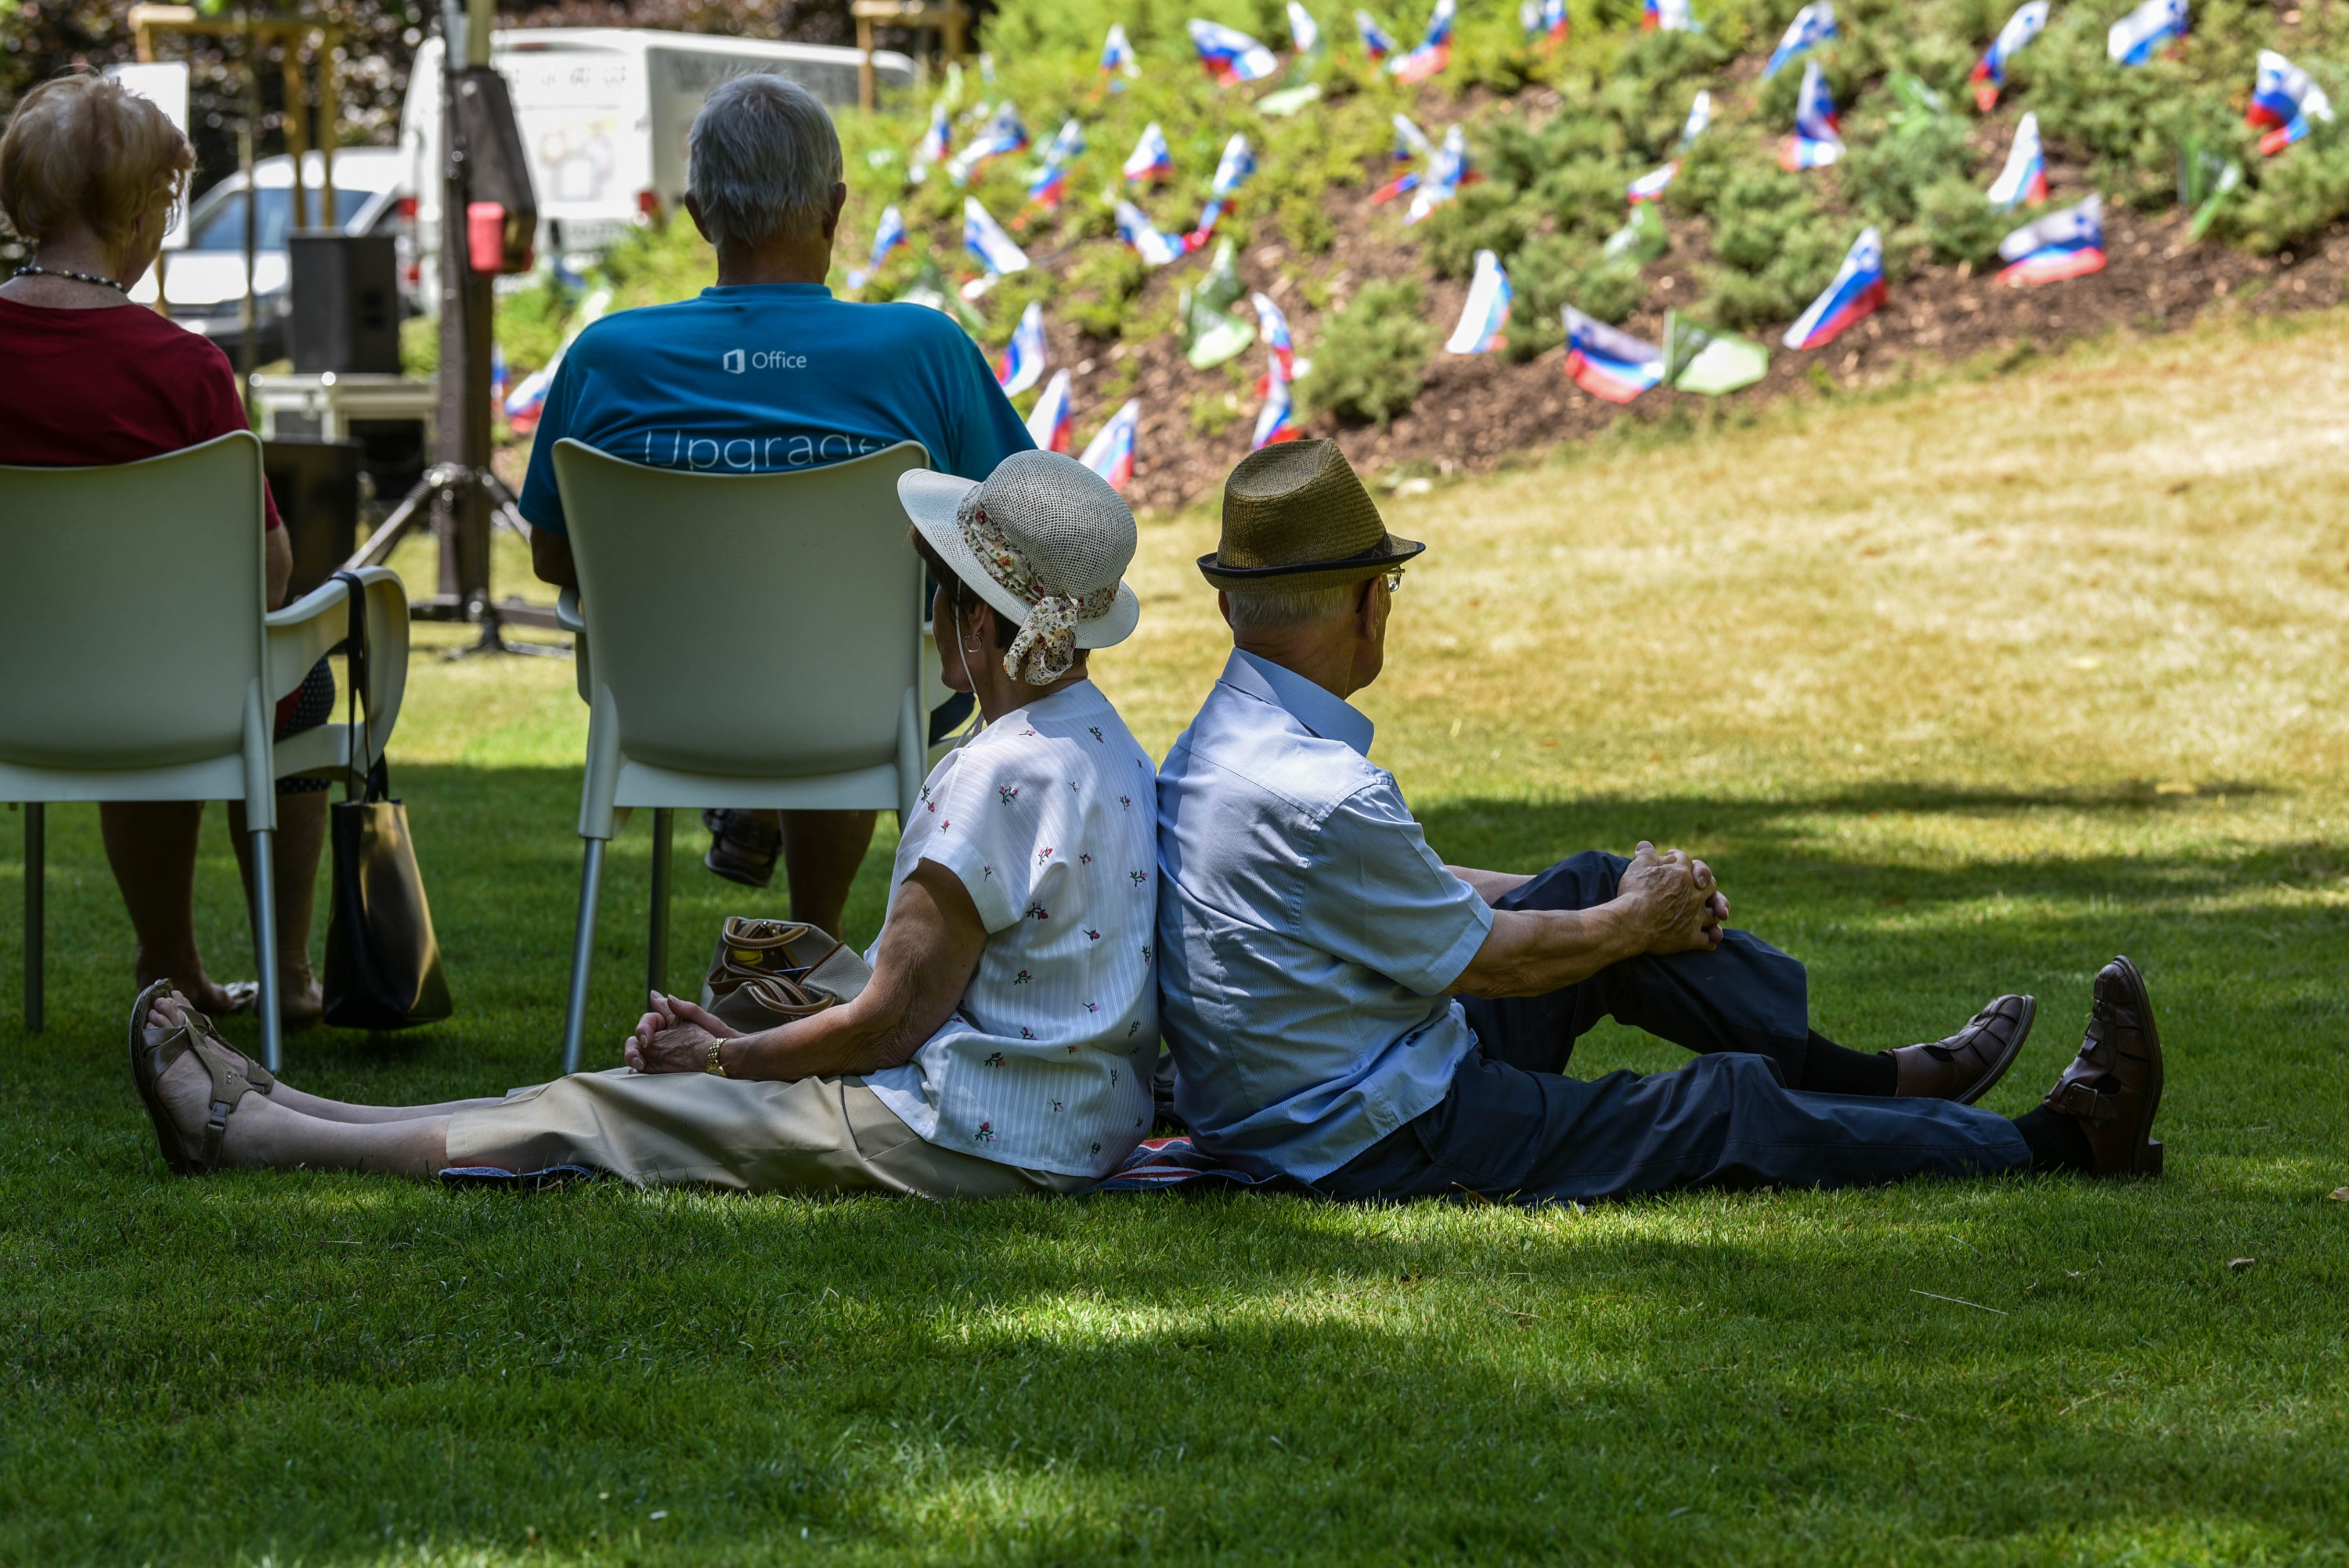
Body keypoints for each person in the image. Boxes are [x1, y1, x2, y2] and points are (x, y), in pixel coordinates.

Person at [130, 451, 1166, 1197]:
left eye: (936, 589)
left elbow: (892, 1024)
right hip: (1070, 1116)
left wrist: (721, 1061)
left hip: (980, 1133)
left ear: (978, 622)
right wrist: (751, 1023)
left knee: (608, 1109)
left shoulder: (992, 775)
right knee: (607, 1090)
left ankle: (255, 1133)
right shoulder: (1108, 742)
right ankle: (293, 1108)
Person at [1154, 439, 2163, 1203]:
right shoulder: (1321, 790)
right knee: (1721, 1107)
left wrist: (1627, 902)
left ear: (1233, 607)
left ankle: (1881, 1084)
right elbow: (1494, 964)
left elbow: (1385, 892)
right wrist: (1640, 920)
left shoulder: (1216, 748)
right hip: (1378, 1130)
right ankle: (2059, 1143)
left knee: (1594, 880)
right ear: (1373, 603)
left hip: (1322, 1085)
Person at [516, 72, 1036, 937]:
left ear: (696, 213)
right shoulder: (923, 349)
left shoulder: (604, 356)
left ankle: (759, 818)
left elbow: (552, 557)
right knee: (861, 651)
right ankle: (816, 940)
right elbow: (1023, 523)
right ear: (832, 211)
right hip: (868, 695)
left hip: (663, 698)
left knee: (814, 649)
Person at [0, 72, 334, 1026]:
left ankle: (170, 957)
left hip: (12, 695)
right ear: (146, 207)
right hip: (163, 694)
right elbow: (268, 575)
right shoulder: (183, 369)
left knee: (162, 678)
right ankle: (292, 975)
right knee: (293, 682)